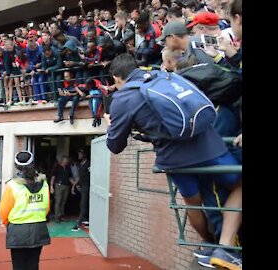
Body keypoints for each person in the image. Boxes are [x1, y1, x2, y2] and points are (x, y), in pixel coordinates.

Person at [104, 53, 242, 269]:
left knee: (192, 204)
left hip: (174, 159)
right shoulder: (163, 76)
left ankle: (214, 246)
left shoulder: (123, 99)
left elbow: (115, 145)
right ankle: (224, 246)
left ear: (116, 78)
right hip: (208, 145)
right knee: (239, 184)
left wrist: (110, 126)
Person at [0, 151, 50, 270]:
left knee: (19, 266)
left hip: (18, 231)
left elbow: (3, 211)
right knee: (33, 264)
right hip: (38, 228)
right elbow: (47, 208)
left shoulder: (12, 185)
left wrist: (7, 223)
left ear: (16, 166)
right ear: (33, 163)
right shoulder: (44, 183)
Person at [50, 156, 74, 223]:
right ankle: (56, 216)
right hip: (58, 185)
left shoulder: (68, 168)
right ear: (62, 160)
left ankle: (61, 215)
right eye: (65, 160)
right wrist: (51, 186)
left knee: (63, 201)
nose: (66, 162)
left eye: (67, 161)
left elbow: (69, 177)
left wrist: (74, 184)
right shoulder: (57, 167)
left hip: (66, 186)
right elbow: (53, 177)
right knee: (58, 200)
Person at [71, 150, 90, 231]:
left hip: (87, 185)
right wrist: (74, 186)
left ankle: (79, 223)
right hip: (82, 186)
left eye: (80, 154)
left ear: (84, 155)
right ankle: (86, 219)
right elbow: (79, 176)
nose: (78, 155)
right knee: (84, 203)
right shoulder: (79, 165)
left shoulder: (89, 163)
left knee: (83, 203)